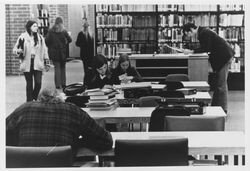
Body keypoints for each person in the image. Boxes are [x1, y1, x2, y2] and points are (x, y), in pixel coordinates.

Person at [6, 87, 113, 152]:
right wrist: (76, 143)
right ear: (61, 99)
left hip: (27, 165)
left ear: (39, 100)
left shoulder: (24, 109)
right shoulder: (73, 110)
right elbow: (106, 140)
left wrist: (19, 145)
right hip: (61, 164)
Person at [182, 23, 235, 113]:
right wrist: (193, 50)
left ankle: (223, 109)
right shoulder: (202, 32)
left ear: (191, 29)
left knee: (221, 84)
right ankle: (216, 106)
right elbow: (206, 47)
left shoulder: (204, 33)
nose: (189, 36)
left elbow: (206, 48)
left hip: (225, 57)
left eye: (188, 34)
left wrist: (191, 51)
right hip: (222, 58)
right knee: (219, 83)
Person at [13, 20, 50, 102]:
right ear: (29, 27)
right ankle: (29, 101)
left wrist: (47, 61)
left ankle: (33, 97)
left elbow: (44, 50)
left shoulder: (40, 38)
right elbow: (15, 49)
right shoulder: (23, 37)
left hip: (38, 63)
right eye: (34, 26)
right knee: (29, 84)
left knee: (38, 83)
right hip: (27, 63)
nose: (36, 28)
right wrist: (18, 51)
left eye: (37, 26)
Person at [45, 17, 72, 89]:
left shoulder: (51, 31)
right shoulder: (64, 31)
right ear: (62, 22)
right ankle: (63, 84)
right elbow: (70, 40)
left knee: (57, 68)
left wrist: (51, 46)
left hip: (54, 52)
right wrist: (65, 43)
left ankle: (57, 85)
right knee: (63, 68)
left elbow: (46, 41)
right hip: (62, 52)